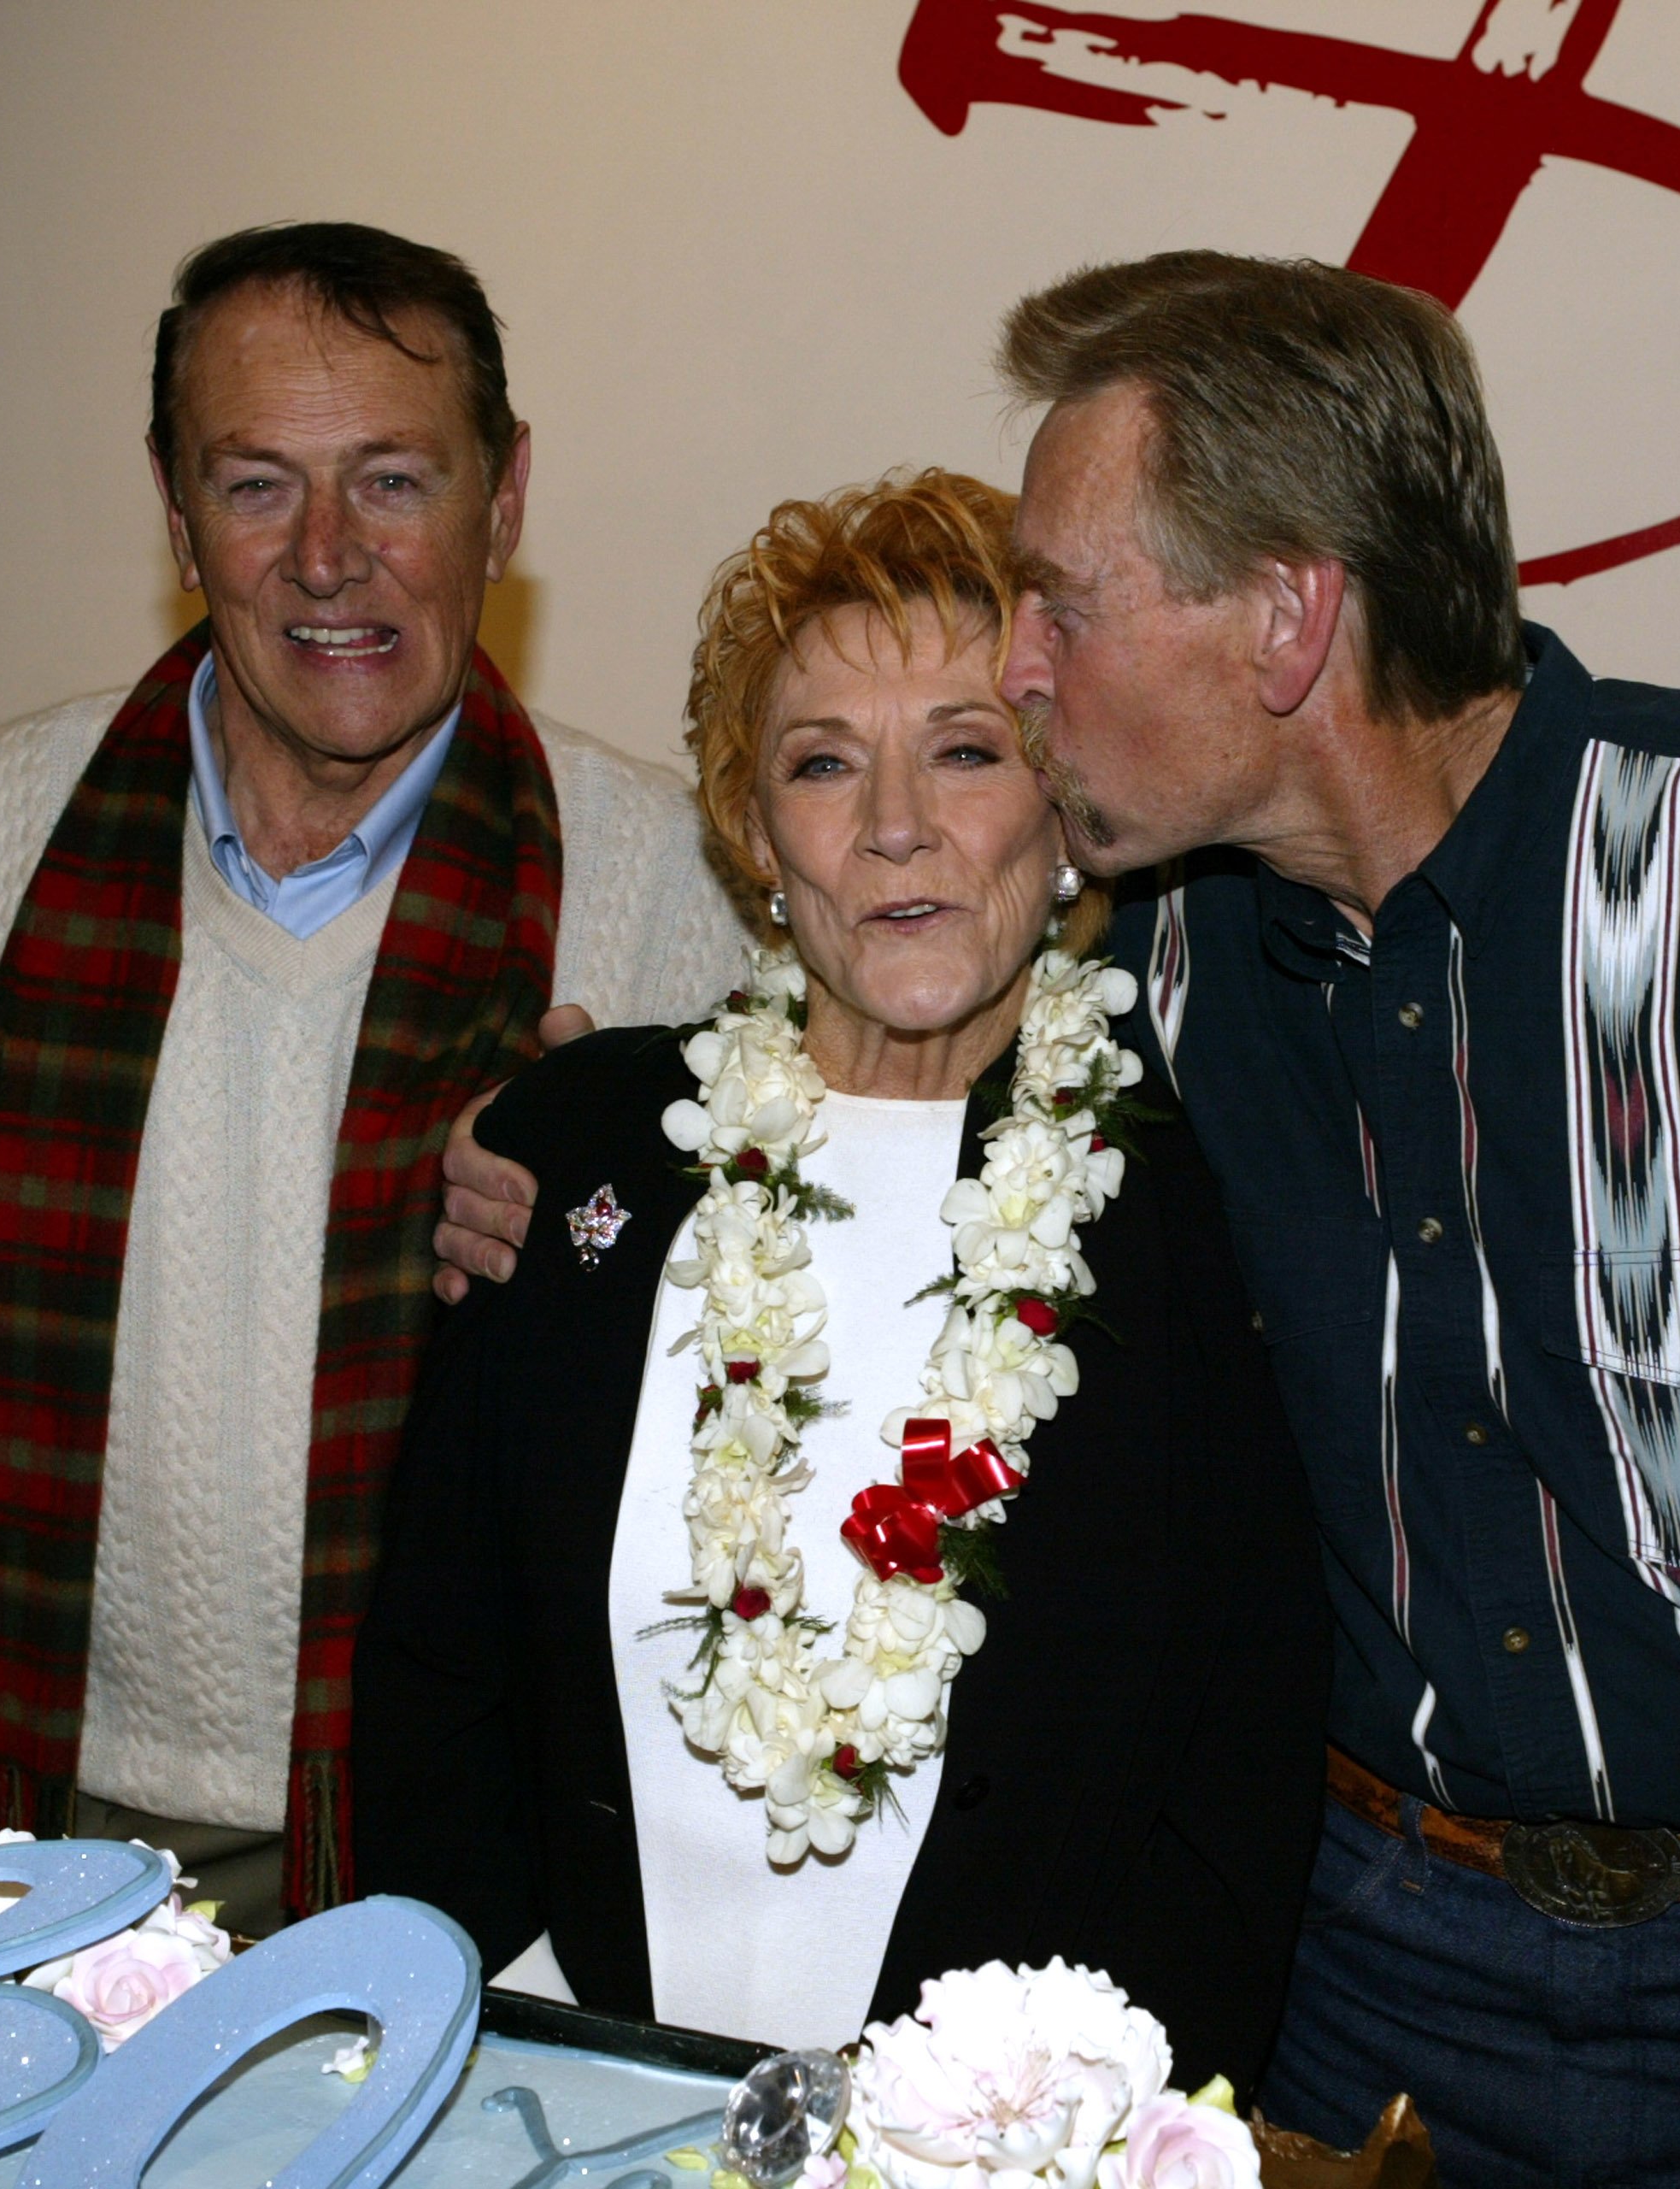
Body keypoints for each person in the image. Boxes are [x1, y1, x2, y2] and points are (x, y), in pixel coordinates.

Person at [435, 256, 1680, 2186]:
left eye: (1061, 603)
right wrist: (560, 1151)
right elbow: (874, 1065)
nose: (1020, 667)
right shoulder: (1173, 980)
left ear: (1288, 618)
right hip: (1357, 1993)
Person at [0, 221, 746, 1937]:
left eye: (394, 480)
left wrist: (592, 1252)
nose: (328, 558)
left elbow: (750, 1412)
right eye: (257, 485)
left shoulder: (669, 886)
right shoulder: (0, 828)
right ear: (174, 511)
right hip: (28, 1828)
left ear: (502, 499)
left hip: (461, 1854)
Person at [353, 471, 1327, 2080]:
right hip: (563, 2089)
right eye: (823, 763)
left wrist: (1066, 2124)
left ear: (1064, 788)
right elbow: (436, 1677)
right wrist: (491, 2040)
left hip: (1003, 2134)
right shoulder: (583, 1143)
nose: (895, 826)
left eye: (966, 748)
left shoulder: (1199, 1181)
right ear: (751, 828)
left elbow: (1241, 1770)